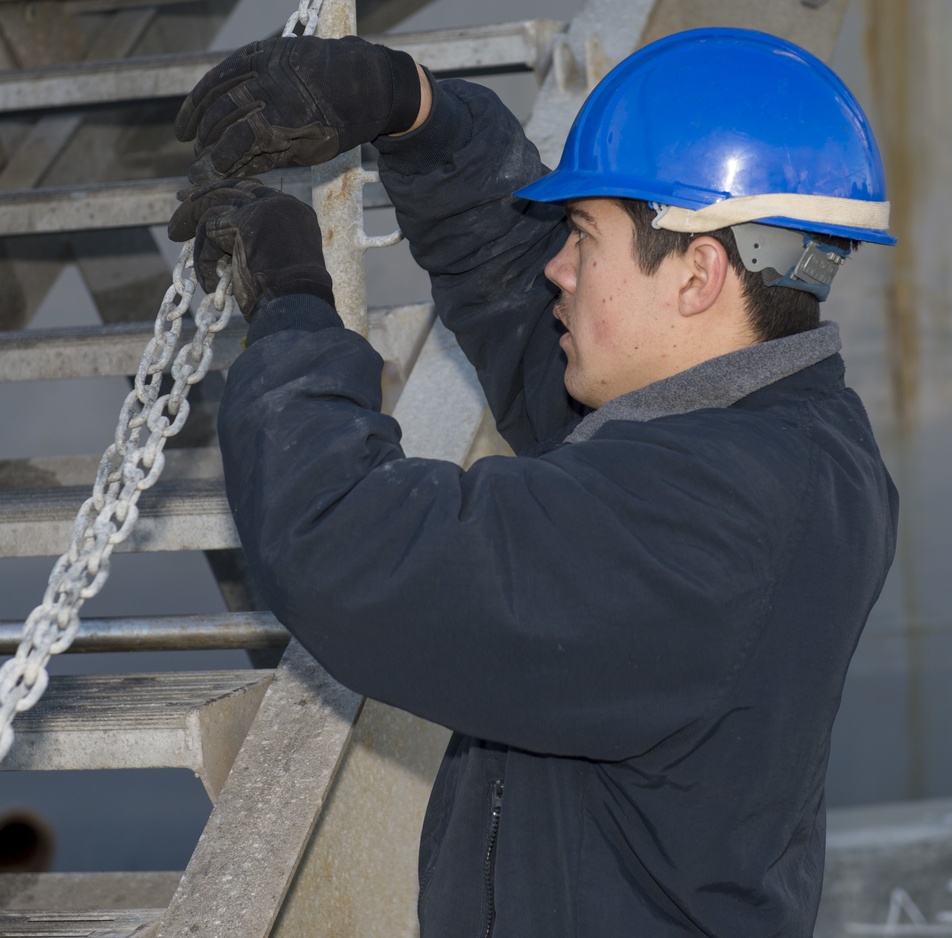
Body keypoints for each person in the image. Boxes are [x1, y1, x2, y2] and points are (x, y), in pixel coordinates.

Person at [168, 26, 899, 938]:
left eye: (582, 235)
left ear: (700, 273)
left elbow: (351, 545)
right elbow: (526, 295)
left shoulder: (712, 523)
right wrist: (413, 110)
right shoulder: (778, 434)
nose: (557, 263)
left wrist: (292, 305)